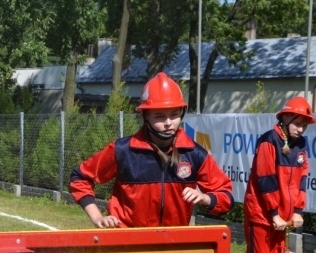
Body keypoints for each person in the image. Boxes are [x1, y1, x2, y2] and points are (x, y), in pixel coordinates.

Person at [69, 72, 233, 228]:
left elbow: (226, 195)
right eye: (159, 116)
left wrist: (206, 198)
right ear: (145, 116)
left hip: (172, 245)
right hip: (126, 244)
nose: (168, 123)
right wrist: (97, 217)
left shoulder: (194, 153)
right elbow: (80, 178)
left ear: (182, 113)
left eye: (174, 114)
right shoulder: (123, 150)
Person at [241, 96, 316, 253]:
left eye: (304, 124)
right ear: (284, 118)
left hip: (282, 219)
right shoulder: (268, 141)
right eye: (297, 123)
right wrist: (274, 213)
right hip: (262, 216)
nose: (300, 128)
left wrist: (297, 211)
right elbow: (265, 179)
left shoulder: (301, 145)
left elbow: (302, 179)